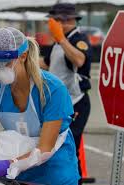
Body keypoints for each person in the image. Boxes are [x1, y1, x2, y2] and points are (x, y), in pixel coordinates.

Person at [0, 27, 79, 185]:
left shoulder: (52, 89)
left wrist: (10, 164)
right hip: (17, 176)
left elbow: (45, 148)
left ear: (23, 56)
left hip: (55, 174)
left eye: (5, 62)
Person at [39, 3, 92, 184]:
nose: (51, 24)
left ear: (65, 20)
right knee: (53, 147)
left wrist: (61, 38)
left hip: (76, 102)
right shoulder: (57, 42)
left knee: (70, 148)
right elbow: (46, 64)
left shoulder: (78, 38)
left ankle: (74, 181)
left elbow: (79, 59)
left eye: (54, 20)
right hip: (59, 103)